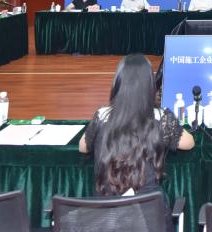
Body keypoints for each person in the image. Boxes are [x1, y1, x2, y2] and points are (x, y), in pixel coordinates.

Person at [79, 54, 193, 195]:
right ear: (150, 87)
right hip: (149, 208)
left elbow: (83, 147)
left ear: (118, 84)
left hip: (105, 208)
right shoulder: (161, 118)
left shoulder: (102, 115)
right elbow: (189, 143)